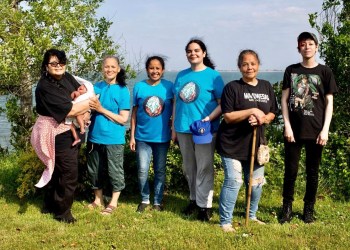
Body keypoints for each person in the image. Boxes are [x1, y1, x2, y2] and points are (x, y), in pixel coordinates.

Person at [216, 49, 277, 232]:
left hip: (256, 144)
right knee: (234, 181)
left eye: (252, 63)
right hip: (231, 143)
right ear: (239, 67)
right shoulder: (232, 88)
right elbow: (227, 116)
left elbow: (273, 112)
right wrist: (251, 111)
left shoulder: (266, 86)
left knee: (256, 182)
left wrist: (263, 119)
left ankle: (252, 215)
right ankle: (225, 222)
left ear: (258, 65)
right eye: (245, 64)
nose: (249, 67)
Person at [280, 32, 337, 224]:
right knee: (291, 171)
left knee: (313, 172)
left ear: (316, 47)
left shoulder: (325, 72)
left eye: (310, 44)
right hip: (293, 131)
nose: (307, 47)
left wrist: (325, 129)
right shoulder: (291, 70)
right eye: (303, 44)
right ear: (298, 48)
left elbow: (329, 102)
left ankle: (308, 209)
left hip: (316, 130)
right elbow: (284, 99)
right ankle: (286, 208)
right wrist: (287, 126)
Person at [31, 49, 91, 223]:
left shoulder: (67, 77)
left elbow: (78, 96)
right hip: (54, 130)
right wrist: (91, 104)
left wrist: (85, 107)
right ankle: (63, 213)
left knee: (57, 169)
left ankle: (50, 205)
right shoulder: (45, 86)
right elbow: (71, 109)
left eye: (61, 63)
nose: (58, 66)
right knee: (68, 171)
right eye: (53, 63)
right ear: (46, 66)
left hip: (66, 127)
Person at [172, 38, 224, 221]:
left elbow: (222, 104)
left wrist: (208, 119)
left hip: (204, 129)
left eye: (196, 50)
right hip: (183, 128)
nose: (192, 53)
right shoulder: (181, 75)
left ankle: (205, 206)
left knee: (204, 167)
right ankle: (194, 199)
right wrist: (173, 128)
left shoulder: (213, 76)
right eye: (189, 51)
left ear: (203, 53)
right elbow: (176, 102)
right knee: (189, 168)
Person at [87, 55, 130, 215]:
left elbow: (123, 119)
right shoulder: (95, 87)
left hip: (114, 139)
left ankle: (113, 202)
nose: (110, 70)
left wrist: (101, 109)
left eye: (113, 67)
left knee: (115, 171)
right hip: (94, 137)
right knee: (94, 170)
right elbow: (86, 108)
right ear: (102, 69)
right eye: (106, 67)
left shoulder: (123, 90)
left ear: (118, 69)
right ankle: (98, 200)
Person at [129, 56, 173, 212]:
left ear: (162, 70)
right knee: (142, 169)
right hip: (142, 137)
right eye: (151, 68)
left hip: (162, 137)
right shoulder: (139, 87)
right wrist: (132, 136)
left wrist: (173, 126)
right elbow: (134, 112)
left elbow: (176, 108)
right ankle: (145, 199)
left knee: (160, 170)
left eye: (158, 68)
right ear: (147, 70)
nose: (155, 71)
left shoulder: (169, 87)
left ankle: (157, 201)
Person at [68, 79, 94, 146]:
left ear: (87, 90)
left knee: (79, 116)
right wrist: (74, 94)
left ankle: (82, 128)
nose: (81, 87)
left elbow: (92, 105)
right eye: (80, 86)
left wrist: (88, 111)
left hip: (80, 113)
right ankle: (76, 138)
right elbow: (71, 98)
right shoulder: (78, 94)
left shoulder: (87, 96)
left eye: (84, 87)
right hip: (73, 113)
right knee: (71, 126)